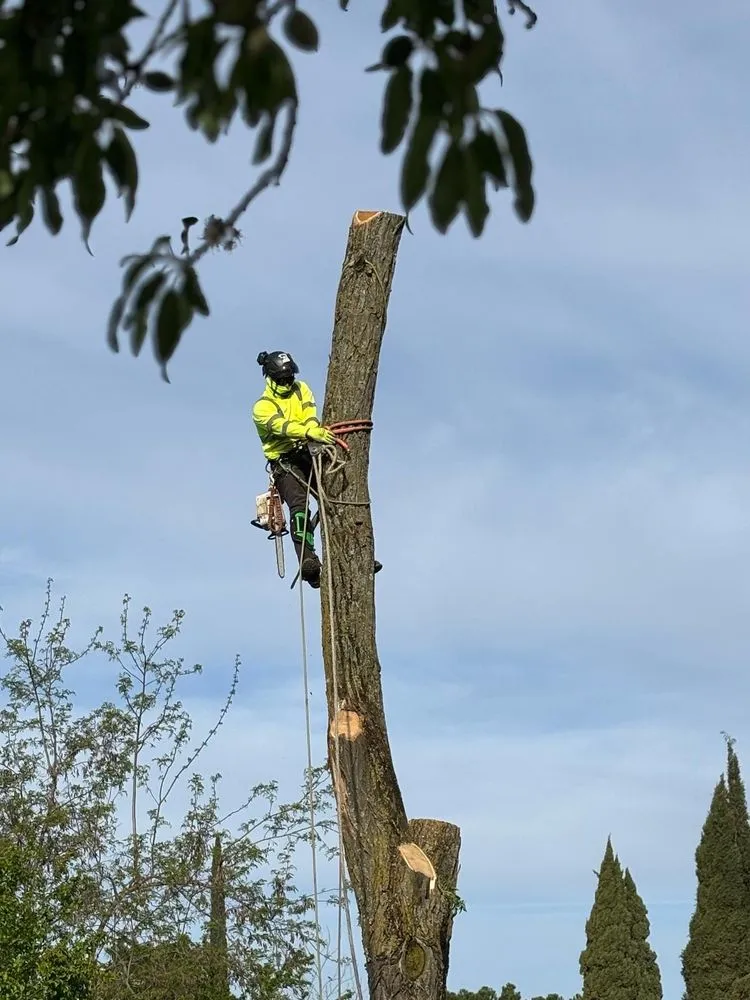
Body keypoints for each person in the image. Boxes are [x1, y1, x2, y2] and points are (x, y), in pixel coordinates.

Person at [252, 350, 381, 589]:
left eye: (289, 377)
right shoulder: (262, 407)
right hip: (285, 463)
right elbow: (280, 426)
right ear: (270, 378)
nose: (287, 383)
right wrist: (307, 432)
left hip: (308, 452)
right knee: (300, 509)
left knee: (337, 499)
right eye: (282, 379)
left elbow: (309, 413)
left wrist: (313, 429)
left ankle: (356, 555)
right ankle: (308, 562)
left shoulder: (301, 389)